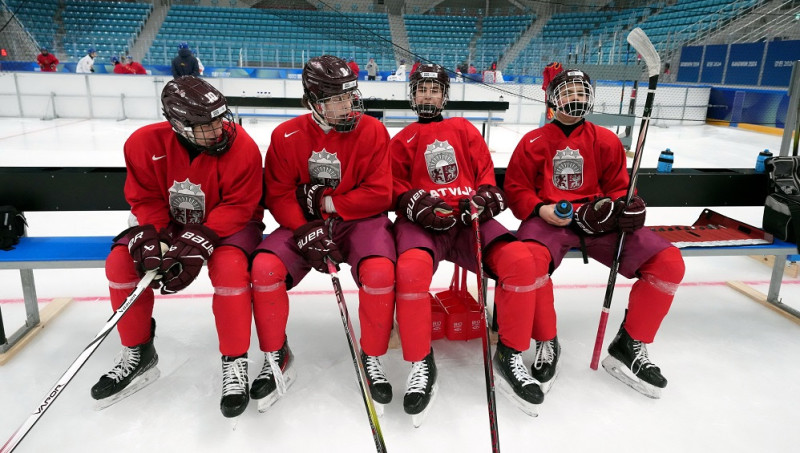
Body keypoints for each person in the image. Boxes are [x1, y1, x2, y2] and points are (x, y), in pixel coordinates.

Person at [503, 68, 686, 400]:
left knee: (668, 262)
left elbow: (619, 187)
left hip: (600, 222)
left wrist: (626, 206)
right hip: (549, 222)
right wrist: (540, 209)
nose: (576, 98)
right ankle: (546, 339)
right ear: (552, 98)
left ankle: (629, 344)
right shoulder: (532, 143)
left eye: (581, 91)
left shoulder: (606, 140)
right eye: (568, 91)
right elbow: (516, 191)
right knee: (529, 261)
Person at [91, 76, 265, 418]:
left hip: (229, 226)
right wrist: (154, 233)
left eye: (220, 117)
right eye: (206, 124)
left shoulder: (241, 145)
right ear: (179, 124)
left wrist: (199, 239)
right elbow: (144, 197)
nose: (218, 129)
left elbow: (241, 205)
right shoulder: (142, 143)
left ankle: (235, 360)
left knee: (230, 269)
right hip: (170, 224)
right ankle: (138, 351)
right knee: (120, 265)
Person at [388, 63, 545, 423]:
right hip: (424, 224)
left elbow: (485, 176)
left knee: (520, 262)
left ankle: (510, 353)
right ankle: (419, 359)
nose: (428, 95)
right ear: (412, 94)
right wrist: (412, 202)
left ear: (444, 95)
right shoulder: (401, 140)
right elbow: (392, 188)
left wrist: (488, 196)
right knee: (410, 272)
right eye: (422, 89)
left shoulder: (464, 129)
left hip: (467, 219)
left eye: (434, 90)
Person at [249, 55, 396, 414]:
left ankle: (373, 354)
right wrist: (302, 230)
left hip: (361, 221)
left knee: (380, 272)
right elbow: (279, 194)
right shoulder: (285, 135)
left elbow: (380, 192)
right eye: (336, 100)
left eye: (350, 96)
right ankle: (275, 353)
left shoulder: (374, 131)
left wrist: (327, 204)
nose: (348, 106)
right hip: (303, 224)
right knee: (264, 268)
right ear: (314, 101)